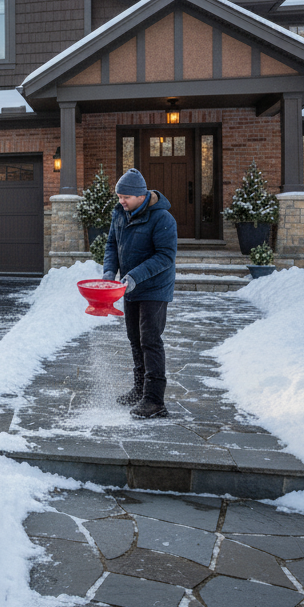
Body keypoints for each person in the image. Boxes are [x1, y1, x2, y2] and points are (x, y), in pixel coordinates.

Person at [101, 167, 177, 419]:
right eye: (119, 196)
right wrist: (108, 273)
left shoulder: (162, 218)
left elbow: (165, 256)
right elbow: (112, 244)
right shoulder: (119, 214)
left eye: (126, 197)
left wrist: (133, 277)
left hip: (155, 288)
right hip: (129, 285)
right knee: (135, 337)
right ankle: (140, 390)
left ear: (141, 196)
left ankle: (155, 400)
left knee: (150, 340)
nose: (121, 201)